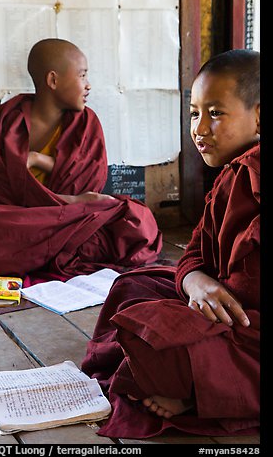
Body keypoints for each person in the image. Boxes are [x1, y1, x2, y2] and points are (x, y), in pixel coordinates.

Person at [81, 49, 260, 439]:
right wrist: (196, 281)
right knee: (133, 285)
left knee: (159, 341)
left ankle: (202, 390)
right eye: (195, 113)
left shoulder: (252, 175)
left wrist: (210, 298)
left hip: (249, 321)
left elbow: (245, 296)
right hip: (224, 302)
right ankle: (201, 382)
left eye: (216, 113)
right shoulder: (231, 174)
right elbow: (195, 250)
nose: (199, 128)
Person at [0, 38, 162, 280]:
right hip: (24, 214)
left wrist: (37, 160)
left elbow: (90, 182)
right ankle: (11, 255)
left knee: (138, 221)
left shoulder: (86, 122)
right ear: (53, 80)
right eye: (82, 75)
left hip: (70, 216)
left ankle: (3, 257)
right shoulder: (9, 117)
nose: (88, 85)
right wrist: (72, 200)